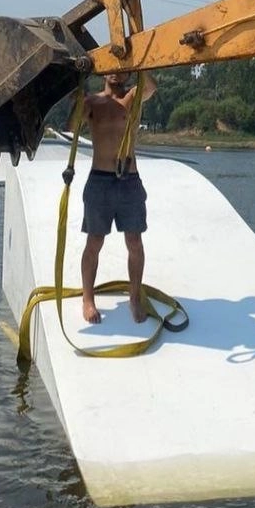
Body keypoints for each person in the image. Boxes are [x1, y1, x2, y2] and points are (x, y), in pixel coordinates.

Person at [78, 71, 157, 325]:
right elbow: (73, 123)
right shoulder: (92, 102)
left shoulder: (133, 97)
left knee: (134, 241)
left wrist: (143, 63)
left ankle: (134, 297)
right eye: (112, 66)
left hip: (129, 179)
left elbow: (151, 87)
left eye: (122, 67)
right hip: (100, 179)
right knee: (95, 241)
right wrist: (75, 93)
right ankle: (88, 299)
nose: (116, 72)